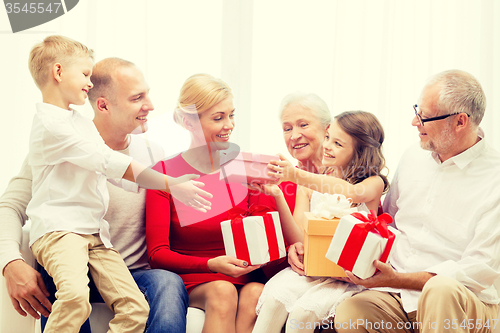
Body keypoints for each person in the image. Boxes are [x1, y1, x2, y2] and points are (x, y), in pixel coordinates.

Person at [0, 48, 198, 332]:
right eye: (137, 98)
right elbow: (10, 206)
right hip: (71, 264)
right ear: (103, 105)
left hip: (128, 271)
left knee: (167, 283)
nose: (151, 106)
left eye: (147, 94)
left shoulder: (155, 153)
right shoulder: (58, 142)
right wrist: (10, 262)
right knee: (65, 287)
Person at [331, 69, 500, 333]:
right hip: (400, 294)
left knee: (440, 288)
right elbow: (387, 222)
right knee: (352, 312)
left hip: (464, 301)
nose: (414, 121)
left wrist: (401, 279)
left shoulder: (495, 178)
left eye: (424, 116)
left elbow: (479, 270)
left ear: (460, 122)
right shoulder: (413, 156)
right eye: (416, 110)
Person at [146, 73, 270, 333]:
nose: (229, 125)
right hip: (196, 277)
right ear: (188, 122)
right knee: (222, 291)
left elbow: (264, 234)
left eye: (231, 115)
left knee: (257, 293)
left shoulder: (246, 169)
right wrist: (210, 265)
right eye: (218, 118)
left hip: (245, 276)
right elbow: (157, 255)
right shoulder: (164, 174)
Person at [252, 111, 389, 333]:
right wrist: (277, 194)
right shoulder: (309, 183)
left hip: (346, 278)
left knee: (303, 313)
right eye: (327, 138)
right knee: (274, 301)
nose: (327, 146)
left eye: (337, 143)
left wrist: (295, 175)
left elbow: (352, 193)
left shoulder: (372, 184)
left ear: (360, 151)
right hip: (312, 272)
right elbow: (299, 236)